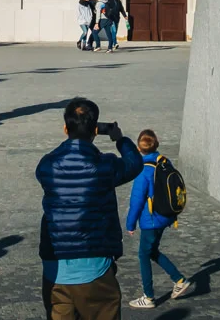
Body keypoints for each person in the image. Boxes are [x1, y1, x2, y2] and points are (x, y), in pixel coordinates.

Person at [36, 95, 146, 319]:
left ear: (65, 129)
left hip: (55, 266)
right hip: (94, 265)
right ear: (96, 130)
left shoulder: (47, 165)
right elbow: (135, 164)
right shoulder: (105, 166)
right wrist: (119, 138)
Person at [124, 129, 193, 308]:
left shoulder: (143, 170)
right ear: (156, 144)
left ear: (139, 148)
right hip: (165, 216)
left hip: (151, 220)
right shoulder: (163, 162)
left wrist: (130, 224)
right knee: (152, 250)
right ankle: (179, 280)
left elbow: (137, 201)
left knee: (143, 255)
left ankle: (148, 297)